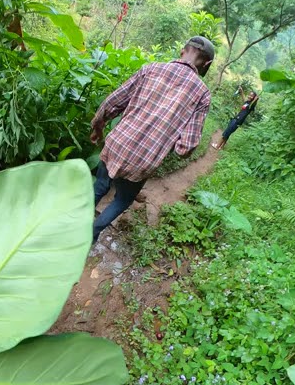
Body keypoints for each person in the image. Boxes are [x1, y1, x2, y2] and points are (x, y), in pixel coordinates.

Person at [90, 36, 215, 242]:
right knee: (122, 199)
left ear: (182, 51)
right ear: (207, 64)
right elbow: (186, 147)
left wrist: (98, 126)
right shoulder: (202, 94)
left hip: (118, 142)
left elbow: (113, 101)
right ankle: (91, 235)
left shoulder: (151, 68)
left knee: (101, 185)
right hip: (144, 159)